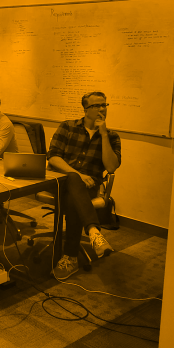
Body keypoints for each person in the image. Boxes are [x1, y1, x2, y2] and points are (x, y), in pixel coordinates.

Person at [47, 91, 121, 280]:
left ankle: (70, 256)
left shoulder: (112, 136)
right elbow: (53, 156)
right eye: (96, 106)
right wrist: (78, 175)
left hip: (88, 187)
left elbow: (111, 166)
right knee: (73, 178)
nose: (101, 109)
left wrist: (103, 134)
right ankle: (93, 231)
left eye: (104, 105)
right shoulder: (68, 127)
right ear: (85, 109)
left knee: (74, 201)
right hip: (59, 181)